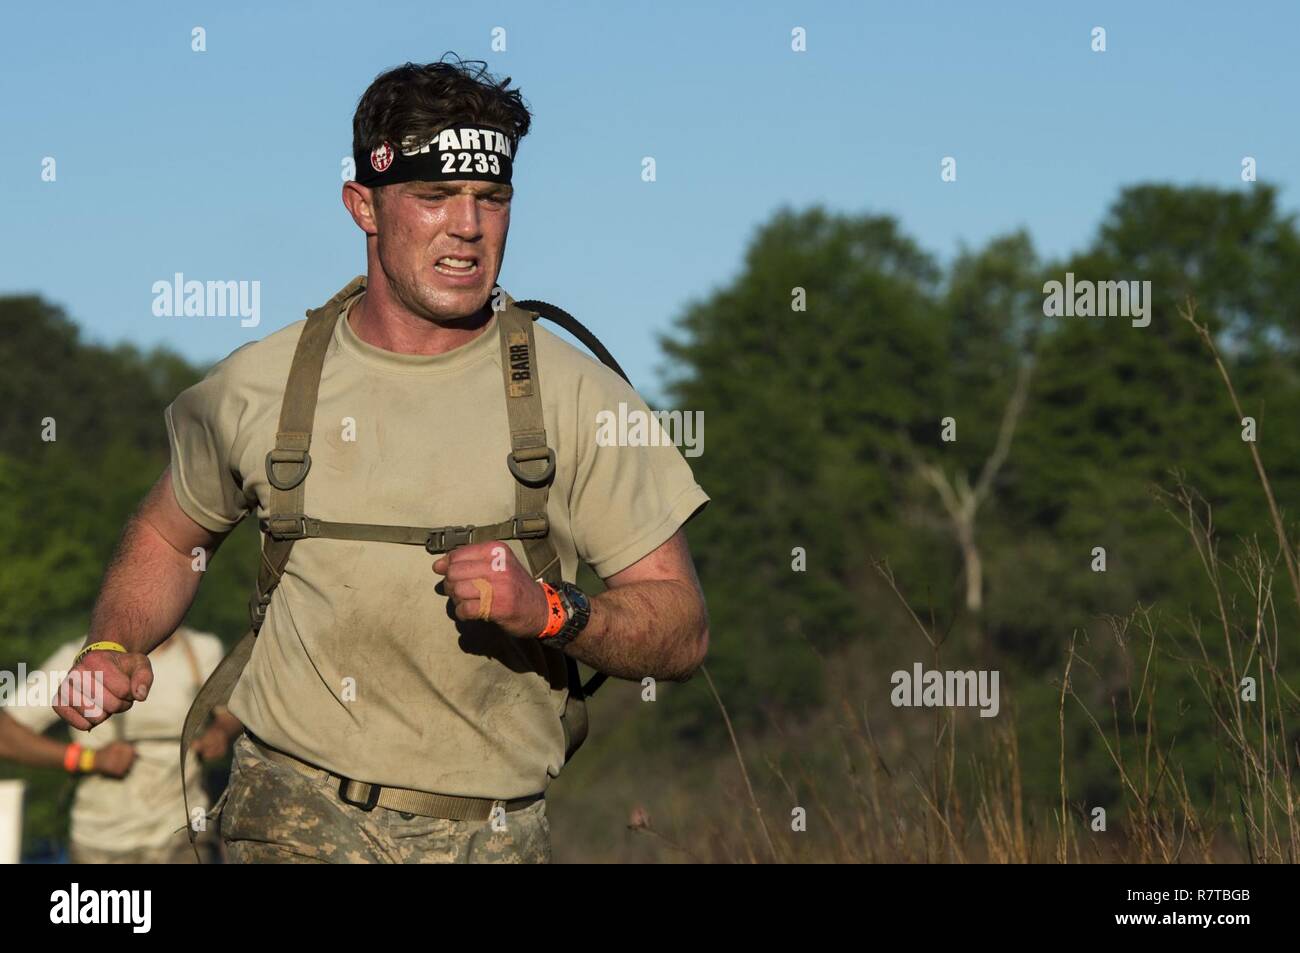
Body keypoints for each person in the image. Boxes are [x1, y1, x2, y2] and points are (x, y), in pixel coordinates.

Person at [54, 55, 710, 864]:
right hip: (288, 811)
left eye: (491, 198)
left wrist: (551, 611)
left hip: (493, 832)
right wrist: (115, 645)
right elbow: (164, 536)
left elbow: (679, 628)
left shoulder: (582, 400)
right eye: (435, 197)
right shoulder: (258, 385)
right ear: (363, 205)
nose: (468, 226)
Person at [2, 626, 241, 863]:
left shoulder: (202, 650)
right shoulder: (78, 660)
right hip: (102, 841)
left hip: (186, 830)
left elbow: (236, 710)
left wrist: (221, 732)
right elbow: (5, 735)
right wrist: (88, 759)